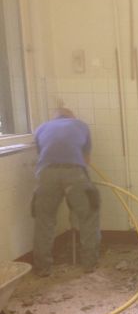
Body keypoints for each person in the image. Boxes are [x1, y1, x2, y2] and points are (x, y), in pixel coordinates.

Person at [32, 106, 100, 276]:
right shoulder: (80, 125)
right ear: (71, 116)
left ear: (54, 117)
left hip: (46, 174)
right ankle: (89, 264)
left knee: (44, 220)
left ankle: (42, 267)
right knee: (88, 216)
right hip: (75, 173)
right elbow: (86, 159)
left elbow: (41, 155)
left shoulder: (41, 128)